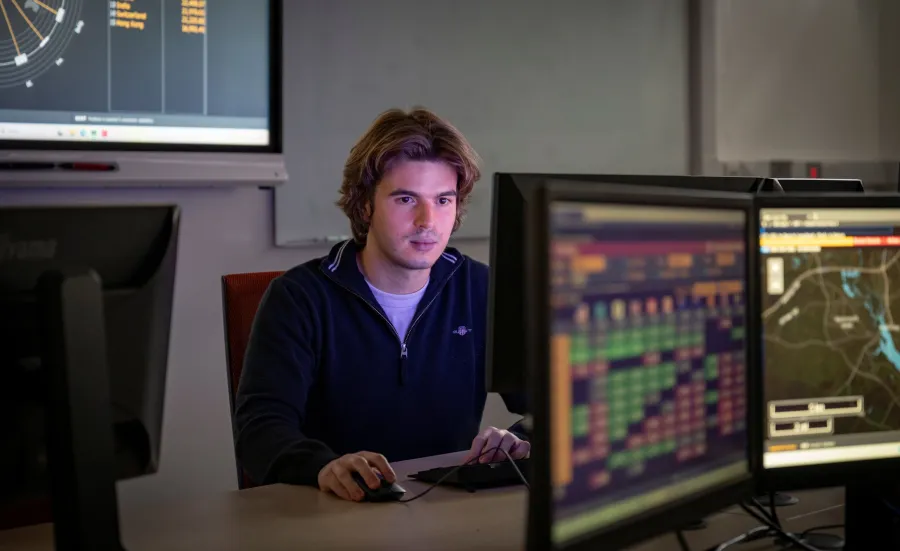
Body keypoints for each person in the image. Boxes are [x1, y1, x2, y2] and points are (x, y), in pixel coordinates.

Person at [233, 107, 529, 502]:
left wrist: (519, 439)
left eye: (444, 200)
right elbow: (259, 428)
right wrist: (322, 465)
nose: (428, 221)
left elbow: (557, 402)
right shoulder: (299, 297)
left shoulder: (480, 288)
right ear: (365, 204)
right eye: (407, 199)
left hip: (448, 510)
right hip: (334, 514)